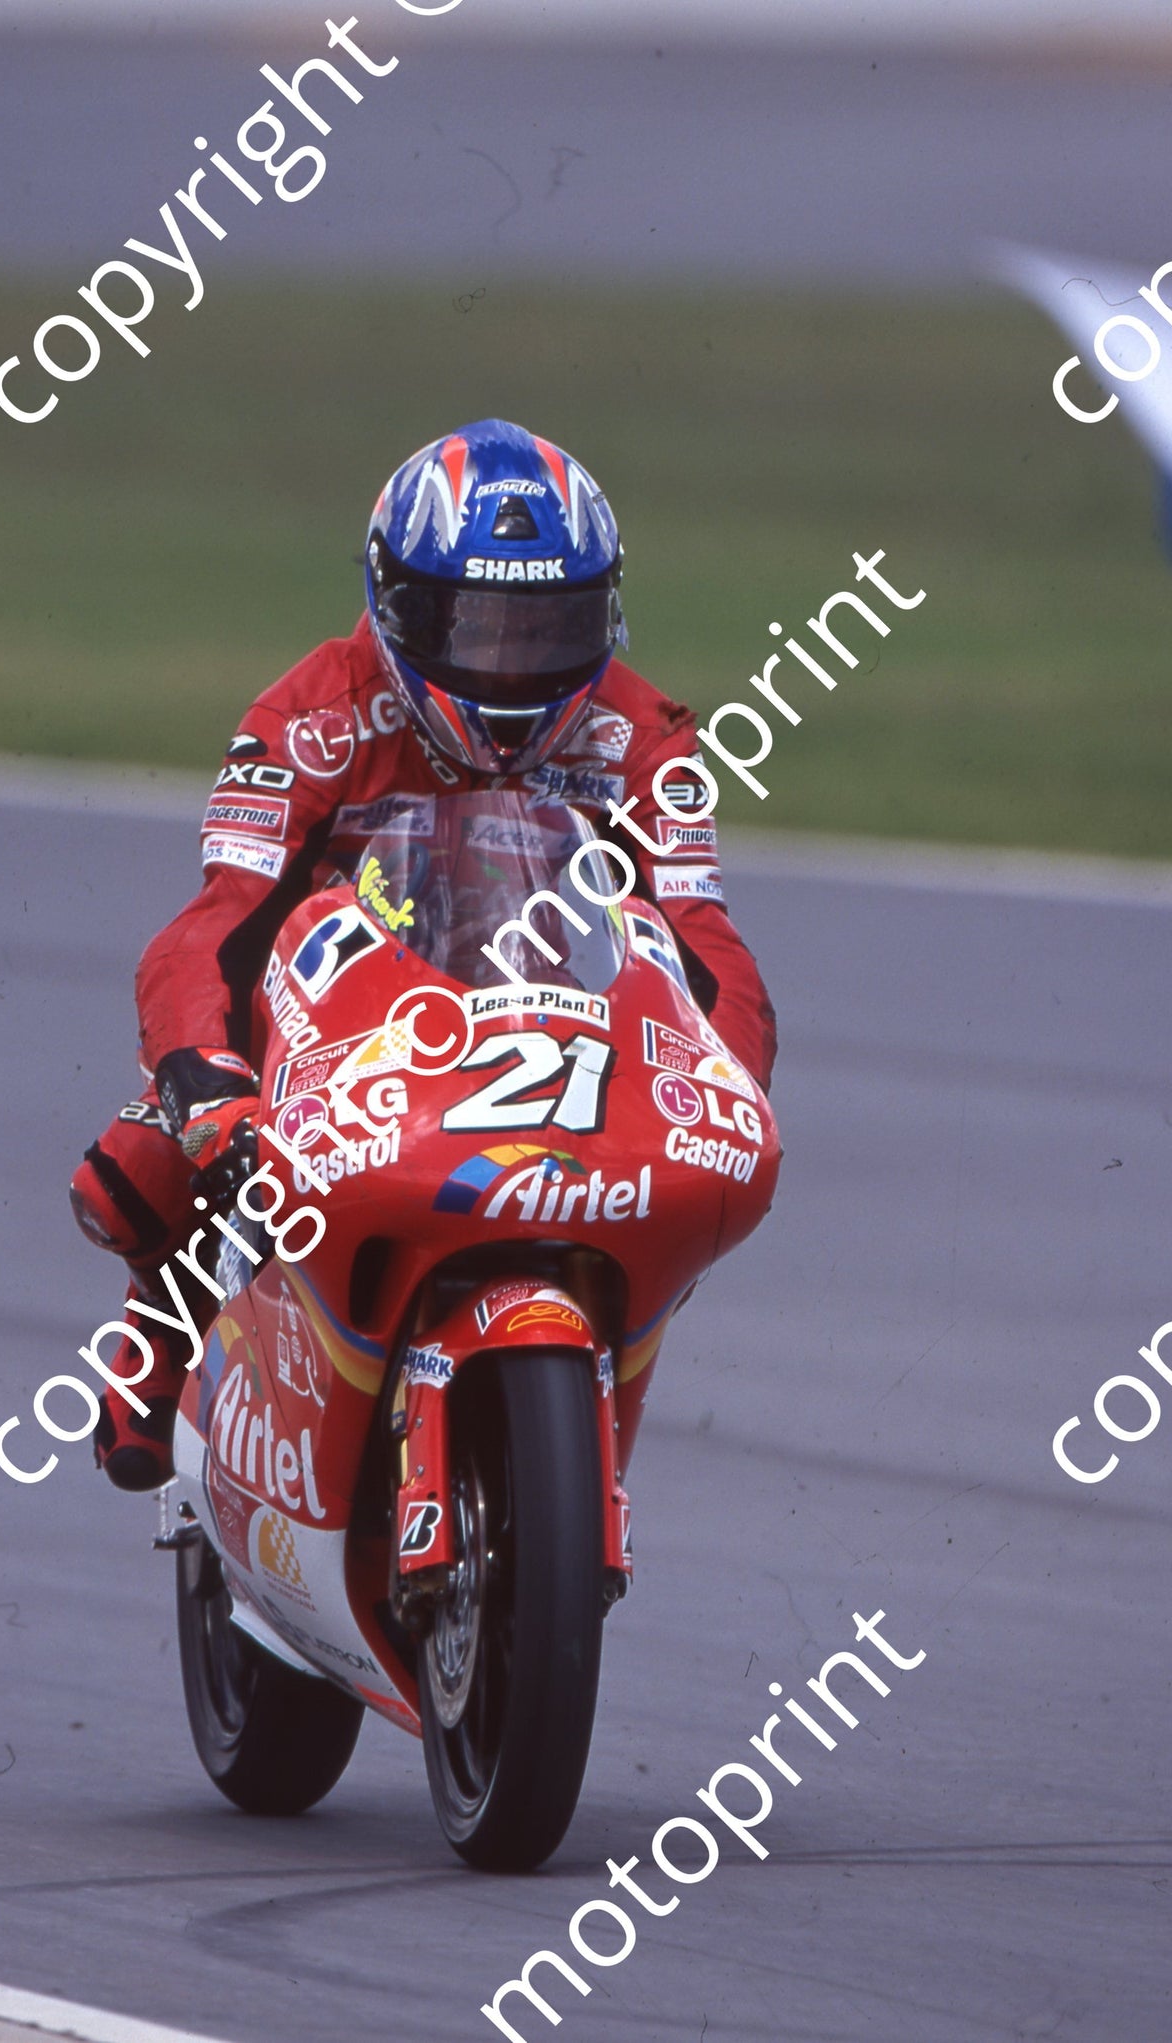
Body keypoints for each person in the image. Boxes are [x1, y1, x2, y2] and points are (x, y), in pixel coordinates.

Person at [70, 418, 777, 1490]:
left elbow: (698, 942)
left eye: (544, 629)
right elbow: (221, 921)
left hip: (556, 1021)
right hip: (345, 1023)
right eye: (476, 626)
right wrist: (202, 1080)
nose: (509, 664)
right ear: (396, 608)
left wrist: (725, 1079)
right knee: (139, 1168)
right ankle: (163, 1326)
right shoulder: (309, 717)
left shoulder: (643, 741)